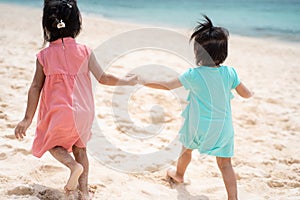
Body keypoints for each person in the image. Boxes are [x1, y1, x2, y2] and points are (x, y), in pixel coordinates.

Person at [14, 0, 138, 199]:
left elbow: (35, 87)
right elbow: (104, 77)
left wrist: (27, 119)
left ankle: (72, 167)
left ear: (47, 26)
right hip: (84, 113)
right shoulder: (85, 51)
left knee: (51, 142)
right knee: (81, 148)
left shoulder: (43, 56)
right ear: (76, 24)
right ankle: (84, 192)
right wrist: (126, 81)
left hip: (58, 111)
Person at [139, 15, 253, 200]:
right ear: (224, 53)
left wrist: (143, 81)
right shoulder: (230, 73)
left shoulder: (194, 75)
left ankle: (179, 175)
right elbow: (245, 93)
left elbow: (167, 84)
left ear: (198, 53)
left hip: (197, 125)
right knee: (225, 164)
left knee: (186, 150)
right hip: (222, 128)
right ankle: (233, 198)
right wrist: (252, 93)